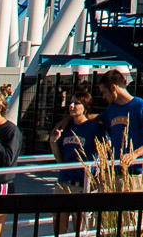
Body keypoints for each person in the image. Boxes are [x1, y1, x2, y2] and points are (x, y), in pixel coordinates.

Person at [97, 70, 143, 187]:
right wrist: (69, 119)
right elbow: (96, 119)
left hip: (133, 173)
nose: (103, 97)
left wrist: (134, 154)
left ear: (113, 88)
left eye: (104, 92)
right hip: (113, 171)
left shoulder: (141, 106)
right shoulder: (111, 109)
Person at [51, 89, 101, 237]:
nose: (71, 106)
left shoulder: (94, 128)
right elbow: (60, 161)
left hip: (82, 183)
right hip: (64, 181)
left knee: (80, 228)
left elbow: (104, 152)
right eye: (70, 102)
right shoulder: (66, 128)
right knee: (59, 225)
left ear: (85, 106)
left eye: (76, 103)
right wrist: (53, 143)